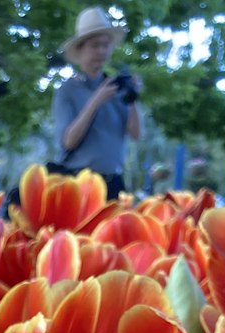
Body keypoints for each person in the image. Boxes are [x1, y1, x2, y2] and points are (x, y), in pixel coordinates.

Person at [51, 7, 142, 198]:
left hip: (113, 183)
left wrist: (132, 97)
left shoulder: (117, 88)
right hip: (79, 183)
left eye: (105, 45)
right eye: (94, 45)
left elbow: (135, 134)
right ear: (80, 50)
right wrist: (96, 101)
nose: (101, 51)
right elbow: (68, 142)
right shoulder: (67, 91)